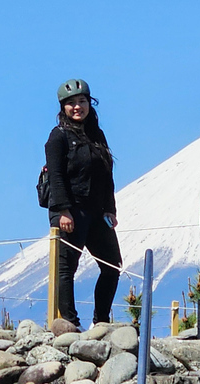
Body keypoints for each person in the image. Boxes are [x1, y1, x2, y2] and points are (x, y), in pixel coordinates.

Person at [45, 78, 122, 329]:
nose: (77, 107)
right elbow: (56, 176)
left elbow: (107, 174)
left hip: (97, 210)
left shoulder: (97, 135)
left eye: (82, 101)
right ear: (62, 108)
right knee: (66, 268)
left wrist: (110, 209)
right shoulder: (58, 137)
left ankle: (100, 322)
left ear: (90, 103)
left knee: (112, 266)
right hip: (70, 210)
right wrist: (63, 210)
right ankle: (69, 323)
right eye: (71, 103)